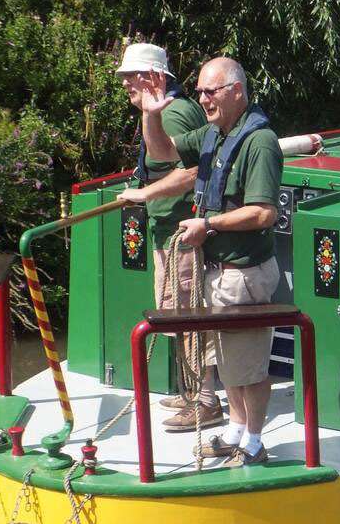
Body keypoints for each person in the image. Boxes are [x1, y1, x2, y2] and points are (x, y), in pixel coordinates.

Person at [121, 57, 283, 467]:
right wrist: (151, 114)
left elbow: (264, 213)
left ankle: (254, 444)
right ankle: (234, 432)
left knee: (248, 366)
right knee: (228, 363)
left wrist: (207, 224)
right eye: (199, 92)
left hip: (244, 274)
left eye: (211, 92)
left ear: (236, 91)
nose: (203, 100)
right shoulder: (215, 133)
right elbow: (162, 152)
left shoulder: (260, 142)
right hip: (218, 272)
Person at [115, 43, 224, 432]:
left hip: (180, 232)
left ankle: (206, 401)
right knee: (177, 312)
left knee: (187, 313)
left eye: (131, 75)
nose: (125, 83)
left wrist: (144, 193)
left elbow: (191, 173)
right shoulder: (173, 110)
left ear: (153, 77)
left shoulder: (175, 113)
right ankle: (191, 391)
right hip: (171, 229)